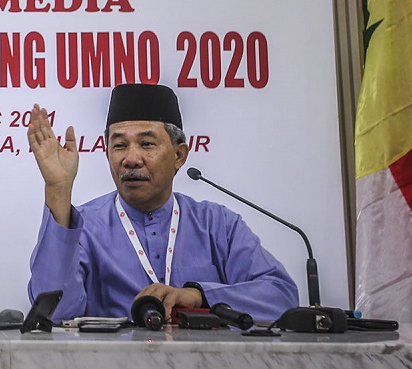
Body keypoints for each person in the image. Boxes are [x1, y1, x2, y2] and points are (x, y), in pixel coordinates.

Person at [27, 83, 298, 323]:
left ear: (179, 155)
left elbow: (282, 296)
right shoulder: (86, 227)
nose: (131, 159)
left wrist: (199, 296)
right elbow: (54, 312)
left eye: (146, 144)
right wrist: (58, 190)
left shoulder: (217, 225)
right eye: (119, 145)